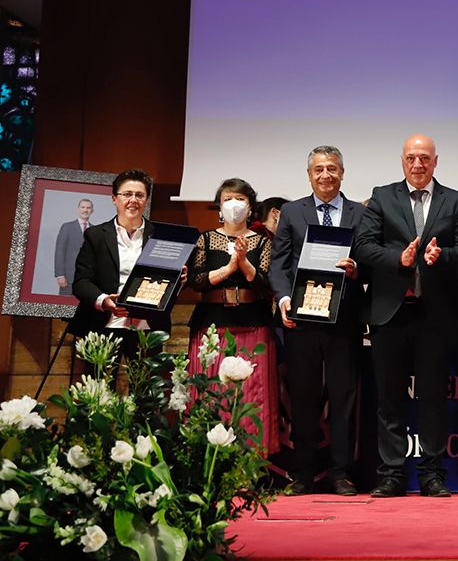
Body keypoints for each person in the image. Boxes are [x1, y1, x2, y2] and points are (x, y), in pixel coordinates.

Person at [353, 134, 458, 497]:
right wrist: (399, 259)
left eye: (424, 158)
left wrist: (443, 257)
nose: (417, 165)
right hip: (391, 313)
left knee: (434, 397)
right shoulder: (382, 197)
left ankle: (432, 473)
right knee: (390, 398)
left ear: (436, 161)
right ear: (402, 161)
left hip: (435, 315)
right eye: (411, 158)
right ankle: (391, 474)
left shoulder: (456, 201)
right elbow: (363, 246)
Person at [269, 146, 365, 496]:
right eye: (319, 169)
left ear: (343, 173)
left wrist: (357, 270)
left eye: (332, 169)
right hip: (301, 320)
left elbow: (369, 258)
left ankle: (341, 473)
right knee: (304, 397)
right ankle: (304, 473)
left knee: (343, 397)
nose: (326, 175)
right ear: (309, 175)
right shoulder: (293, 212)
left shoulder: (360, 213)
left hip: (344, 319)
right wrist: (283, 300)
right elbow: (278, 265)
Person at [186, 178, 278, 455]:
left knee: (252, 391)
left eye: (240, 199)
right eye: (227, 199)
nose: (233, 205)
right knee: (212, 389)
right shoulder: (205, 238)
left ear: (251, 207)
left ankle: (251, 457)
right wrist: (228, 268)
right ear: (219, 205)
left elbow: (267, 285)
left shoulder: (262, 241)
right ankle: (208, 456)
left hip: (253, 321)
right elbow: (197, 280)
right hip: (212, 322)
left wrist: (245, 263)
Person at [68, 170, 172, 341]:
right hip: (104, 325)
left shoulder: (162, 236)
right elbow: (81, 282)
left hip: (147, 327)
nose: (133, 200)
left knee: (144, 369)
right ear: (114, 198)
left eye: (139, 195)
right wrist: (103, 300)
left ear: (146, 200)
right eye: (127, 194)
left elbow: (168, 283)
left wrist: (179, 280)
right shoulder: (96, 235)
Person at [54, 198, 94, 294]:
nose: (85, 210)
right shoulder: (67, 227)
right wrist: (60, 275)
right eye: (83, 207)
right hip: (68, 278)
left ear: (92, 211)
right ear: (78, 209)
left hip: (88, 280)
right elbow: (60, 251)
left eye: (88, 208)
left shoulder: (95, 230)